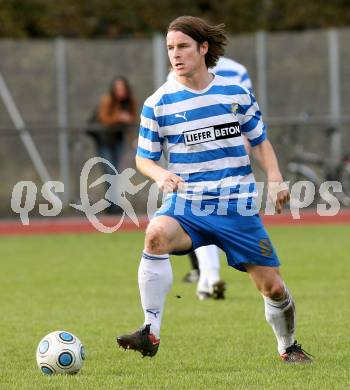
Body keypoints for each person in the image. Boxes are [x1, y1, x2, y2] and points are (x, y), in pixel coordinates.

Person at [117, 16, 312, 363]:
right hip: (189, 205)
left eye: (183, 47)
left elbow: (260, 142)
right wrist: (161, 175)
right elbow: (143, 159)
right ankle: (150, 331)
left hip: (236, 209)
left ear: (203, 48)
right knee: (155, 235)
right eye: (170, 48)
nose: (175, 55)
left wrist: (276, 176)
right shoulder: (158, 103)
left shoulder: (235, 94)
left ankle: (288, 346)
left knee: (274, 288)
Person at [87, 76, 137, 213]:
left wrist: (132, 140)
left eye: (123, 88)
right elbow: (105, 119)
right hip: (105, 141)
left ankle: (114, 204)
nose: (121, 91)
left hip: (118, 141)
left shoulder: (129, 102)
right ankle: (111, 206)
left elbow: (131, 121)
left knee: (117, 172)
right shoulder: (107, 100)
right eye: (118, 89)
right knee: (110, 171)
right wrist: (119, 117)